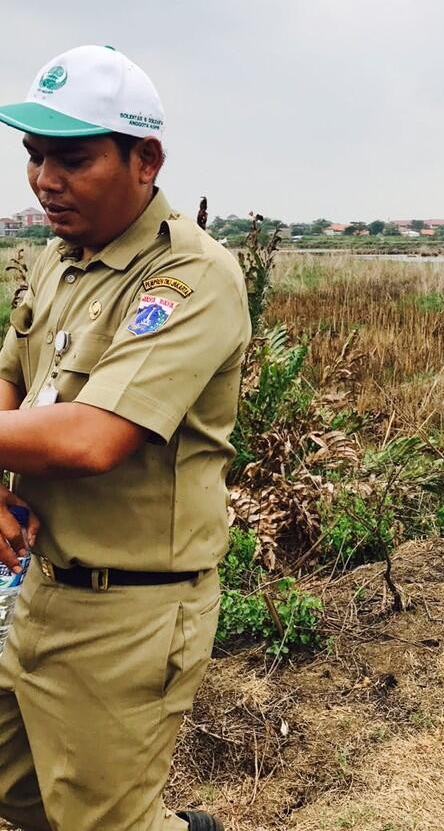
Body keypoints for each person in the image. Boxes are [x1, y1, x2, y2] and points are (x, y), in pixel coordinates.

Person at [0, 45, 251, 831]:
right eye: (35, 157)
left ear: (146, 159)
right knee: (16, 789)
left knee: (100, 821)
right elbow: (10, 374)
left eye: (72, 159)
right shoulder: (59, 258)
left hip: (130, 610)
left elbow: (92, 438)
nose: (46, 180)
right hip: (41, 585)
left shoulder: (188, 278)